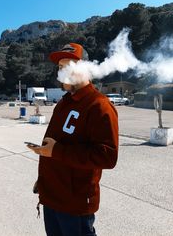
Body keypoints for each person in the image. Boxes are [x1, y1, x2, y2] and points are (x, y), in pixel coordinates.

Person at [27, 43, 119, 236]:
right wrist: (43, 179)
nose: (62, 72)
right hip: (51, 198)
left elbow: (108, 157)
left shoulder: (99, 106)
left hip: (74, 205)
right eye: (60, 67)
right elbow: (57, 144)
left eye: (68, 66)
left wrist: (56, 151)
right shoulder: (63, 103)